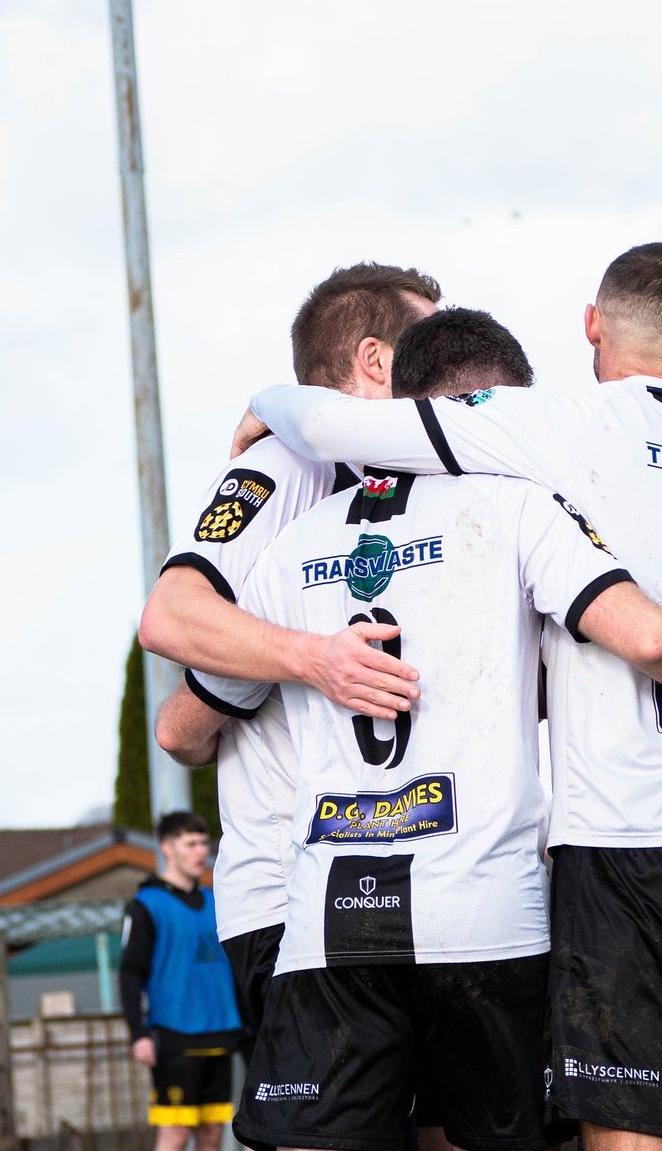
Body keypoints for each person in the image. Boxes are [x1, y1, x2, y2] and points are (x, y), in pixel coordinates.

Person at [156, 307, 662, 1151]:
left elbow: (184, 724)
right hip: (487, 914)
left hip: (330, 925)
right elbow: (641, 634)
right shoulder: (520, 509)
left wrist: (309, 667)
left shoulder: (291, 547)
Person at [138, 263, 440, 1038]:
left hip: (428, 884)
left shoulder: (433, 482)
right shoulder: (287, 465)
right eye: (428, 339)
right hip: (291, 898)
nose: (447, 359)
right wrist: (315, 659)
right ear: (375, 361)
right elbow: (171, 616)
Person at [119, 811, 242, 1151]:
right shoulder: (146, 905)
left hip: (220, 1030)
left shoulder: (218, 901)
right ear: (167, 848)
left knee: (213, 1132)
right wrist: (137, 1032)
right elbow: (130, 972)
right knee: (174, 1134)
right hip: (174, 1035)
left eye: (204, 843)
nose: (200, 851)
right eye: (190, 843)